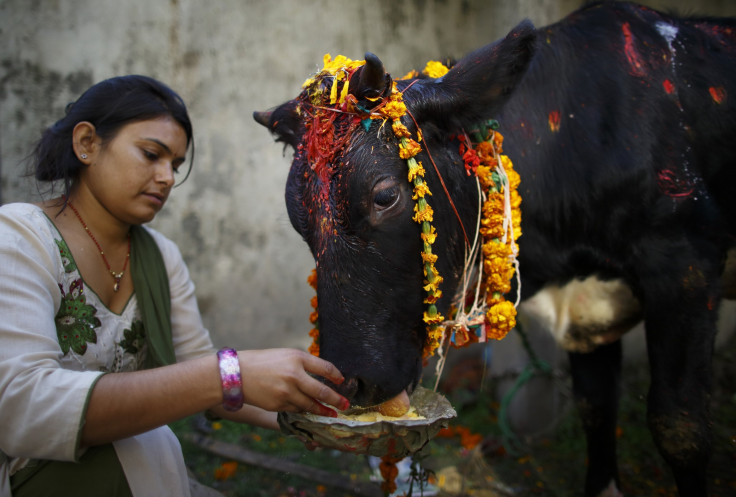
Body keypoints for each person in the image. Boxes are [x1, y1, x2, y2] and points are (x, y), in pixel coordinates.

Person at [0, 75, 350, 497]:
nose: (166, 177)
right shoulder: (20, 239)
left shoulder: (160, 257)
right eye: (151, 154)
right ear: (87, 144)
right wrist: (227, 372)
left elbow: (214, 386)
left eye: (176, 165)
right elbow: (23, 406)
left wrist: (323, 417)